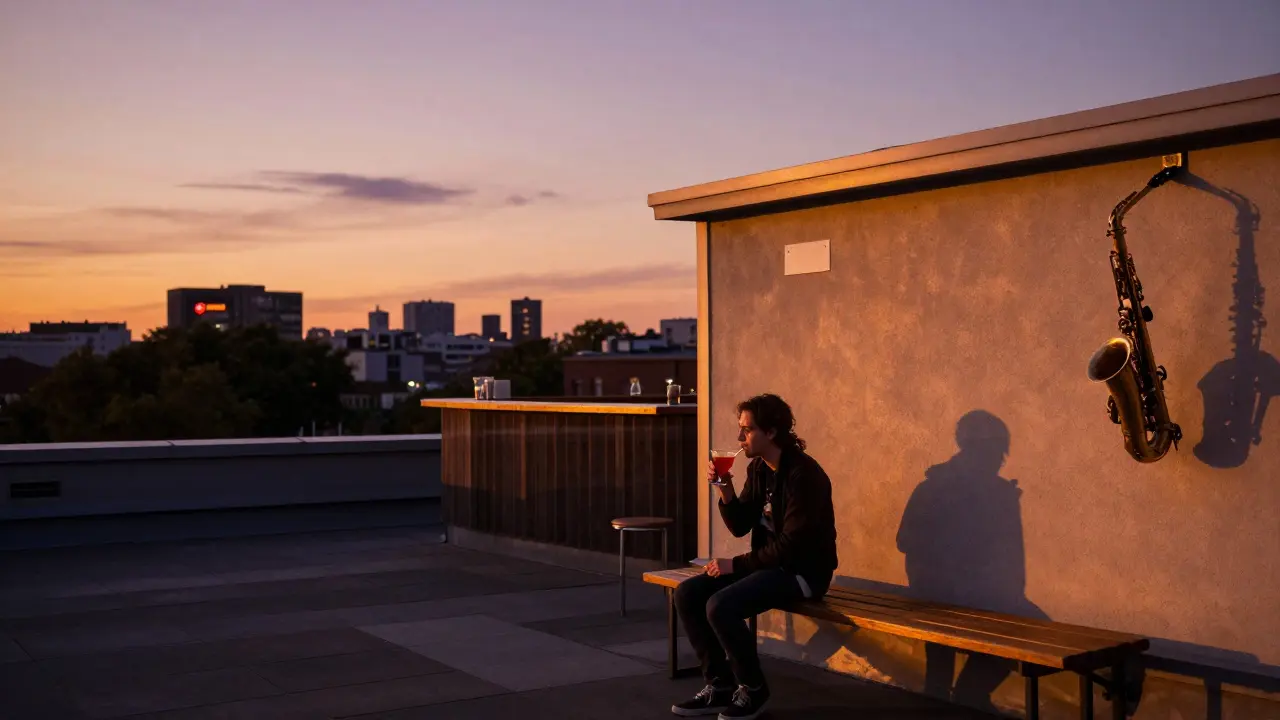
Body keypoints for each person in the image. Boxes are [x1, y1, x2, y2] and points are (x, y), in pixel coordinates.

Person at [671, 393, 839, 719]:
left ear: (771, 431)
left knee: (720, 605)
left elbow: (791, 547)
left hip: (802, 573)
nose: (739, 437)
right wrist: (725, 489)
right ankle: (719, 685)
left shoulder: (804, 476)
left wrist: (735, 565)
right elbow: (740, 525)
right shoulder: (760, 469)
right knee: (687, 593)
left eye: (747, 430)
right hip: (769, 565)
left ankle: (753, 688)